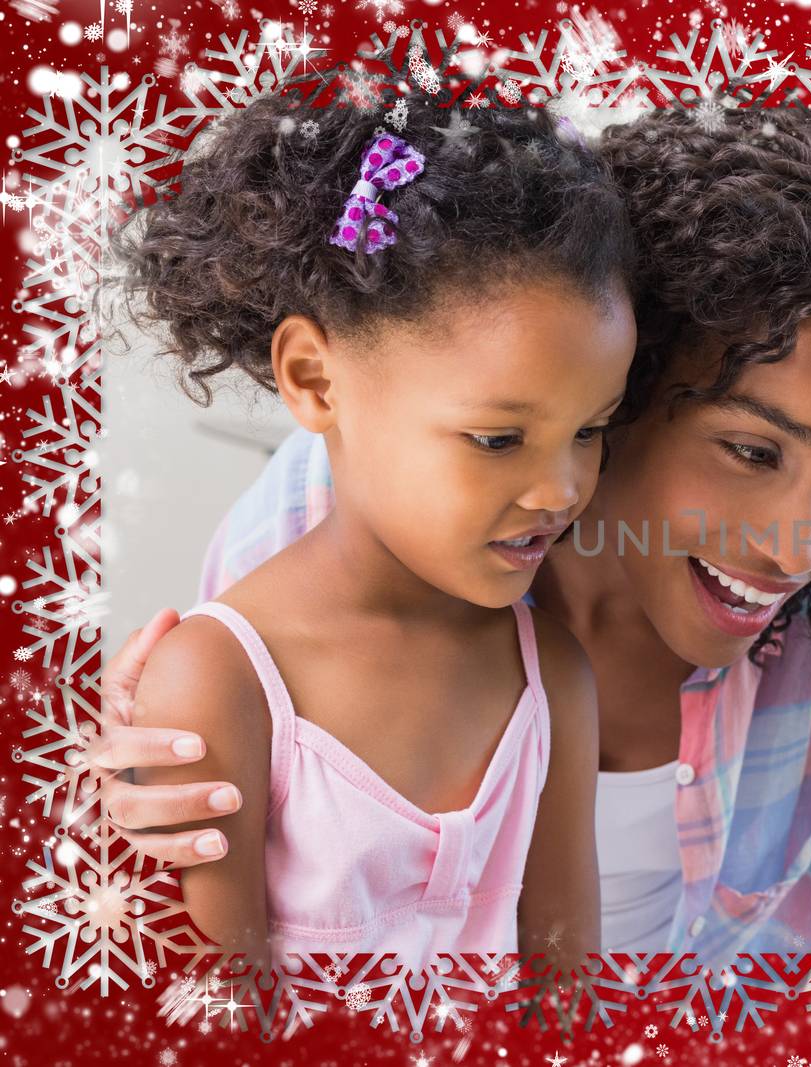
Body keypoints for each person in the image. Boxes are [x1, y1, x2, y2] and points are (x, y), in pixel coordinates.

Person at [92, 104, 811, 967]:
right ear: (633, 383)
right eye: (752, 451)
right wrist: (135, 807)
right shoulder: (327, 514)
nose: (803, 546)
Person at [106, 95, 638, 969]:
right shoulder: (220, 683)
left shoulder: (554, 680)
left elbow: (567, 992)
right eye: (498, 439)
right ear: (315, 379)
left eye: (591, 429)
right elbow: (212, 1011)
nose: (563, 487)